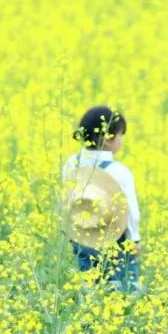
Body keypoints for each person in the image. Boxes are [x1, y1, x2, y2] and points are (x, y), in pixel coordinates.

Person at [62, 106, 142, 291]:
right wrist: (134, 239)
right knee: (122, 285)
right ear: (108, 139)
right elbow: (130, 211)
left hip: (82, 235)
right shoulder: (118, 171)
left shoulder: (71, 163)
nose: (121, 140)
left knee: (89, 284)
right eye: (120, 135)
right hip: (114, 240)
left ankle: (91, 313)